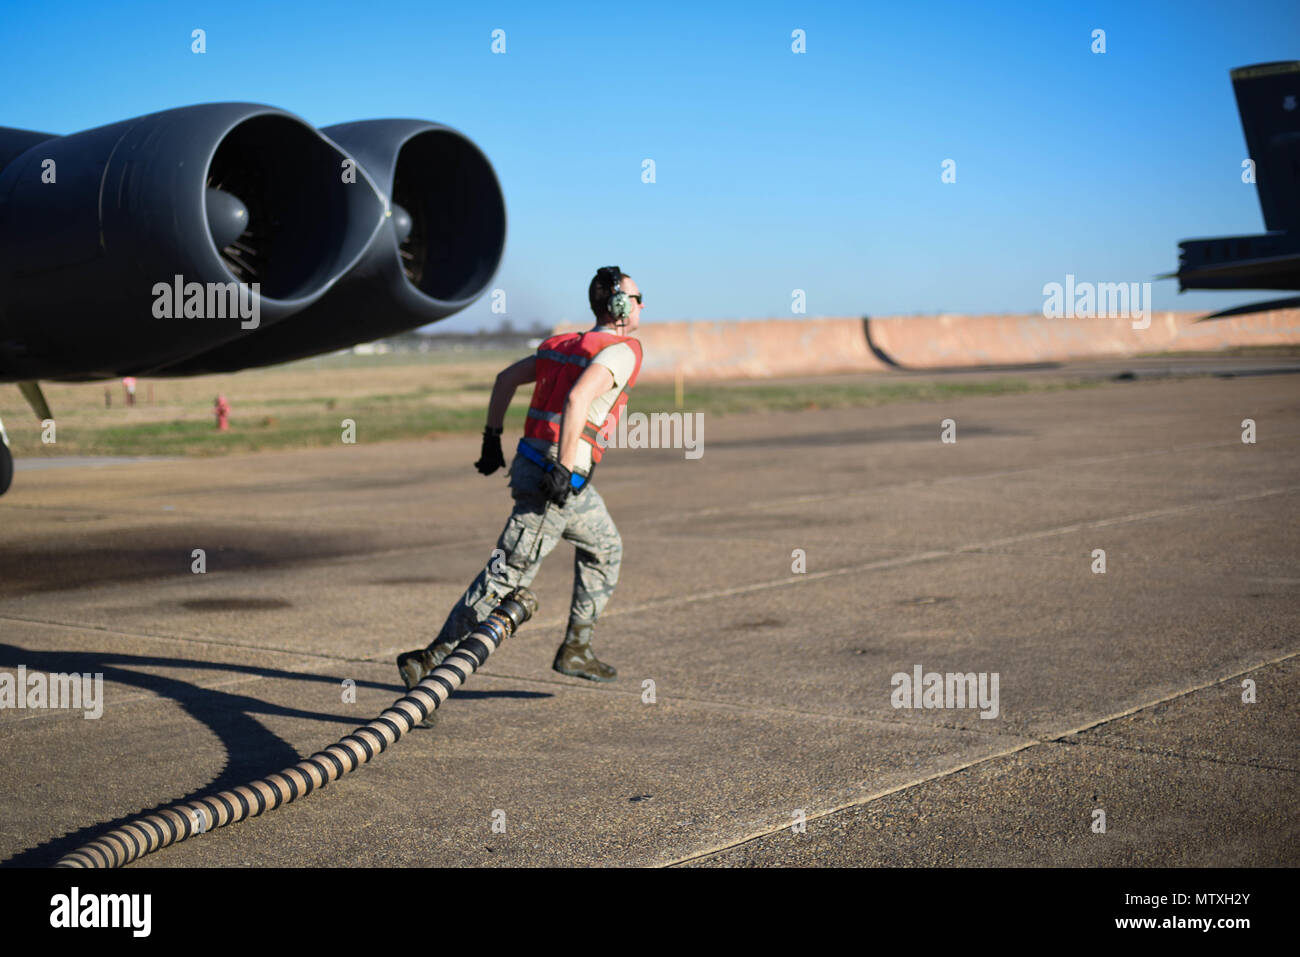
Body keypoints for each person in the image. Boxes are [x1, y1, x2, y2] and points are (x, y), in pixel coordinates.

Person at [397, 266, 644, 704]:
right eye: (639, 298)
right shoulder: (622, 350)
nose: (642, 307)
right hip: (556, 479)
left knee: (605, 548)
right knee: (507, 574)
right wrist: (565, 469)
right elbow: (578, 399)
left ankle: (577, 648)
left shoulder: (561, 346)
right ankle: (430, 662)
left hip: (542, 468)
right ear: (622, 307)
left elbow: (504, 380)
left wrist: (492, 438)